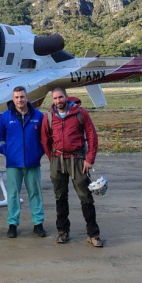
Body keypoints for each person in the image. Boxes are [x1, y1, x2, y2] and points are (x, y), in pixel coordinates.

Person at [40, 87, 103, 247]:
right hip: (57, 160)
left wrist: (89, 159)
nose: (58, 101)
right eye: (55, 98)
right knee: (60, 197)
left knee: (86, 197)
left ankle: (93, 234)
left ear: (66, 97)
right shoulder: (48, 117)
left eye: (60, 97)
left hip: (78, 160)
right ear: (52, 100)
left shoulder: (81, 113)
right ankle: (63, 232)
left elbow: (91, 135)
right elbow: (45, 140)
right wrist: (52, 159)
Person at [0, 86, 46, 238]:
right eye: (16, 97)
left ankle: (38, 224)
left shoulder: (38, 116)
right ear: (13, 98)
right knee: (13, 195)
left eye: (22, 97)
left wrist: (39, 152)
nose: (19, 100)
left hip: (32, 162)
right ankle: (12, 224)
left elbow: (45, 138)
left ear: (26, 97)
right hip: (13, 163)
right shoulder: (5, 117)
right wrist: (5, 150)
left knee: (35, 193)